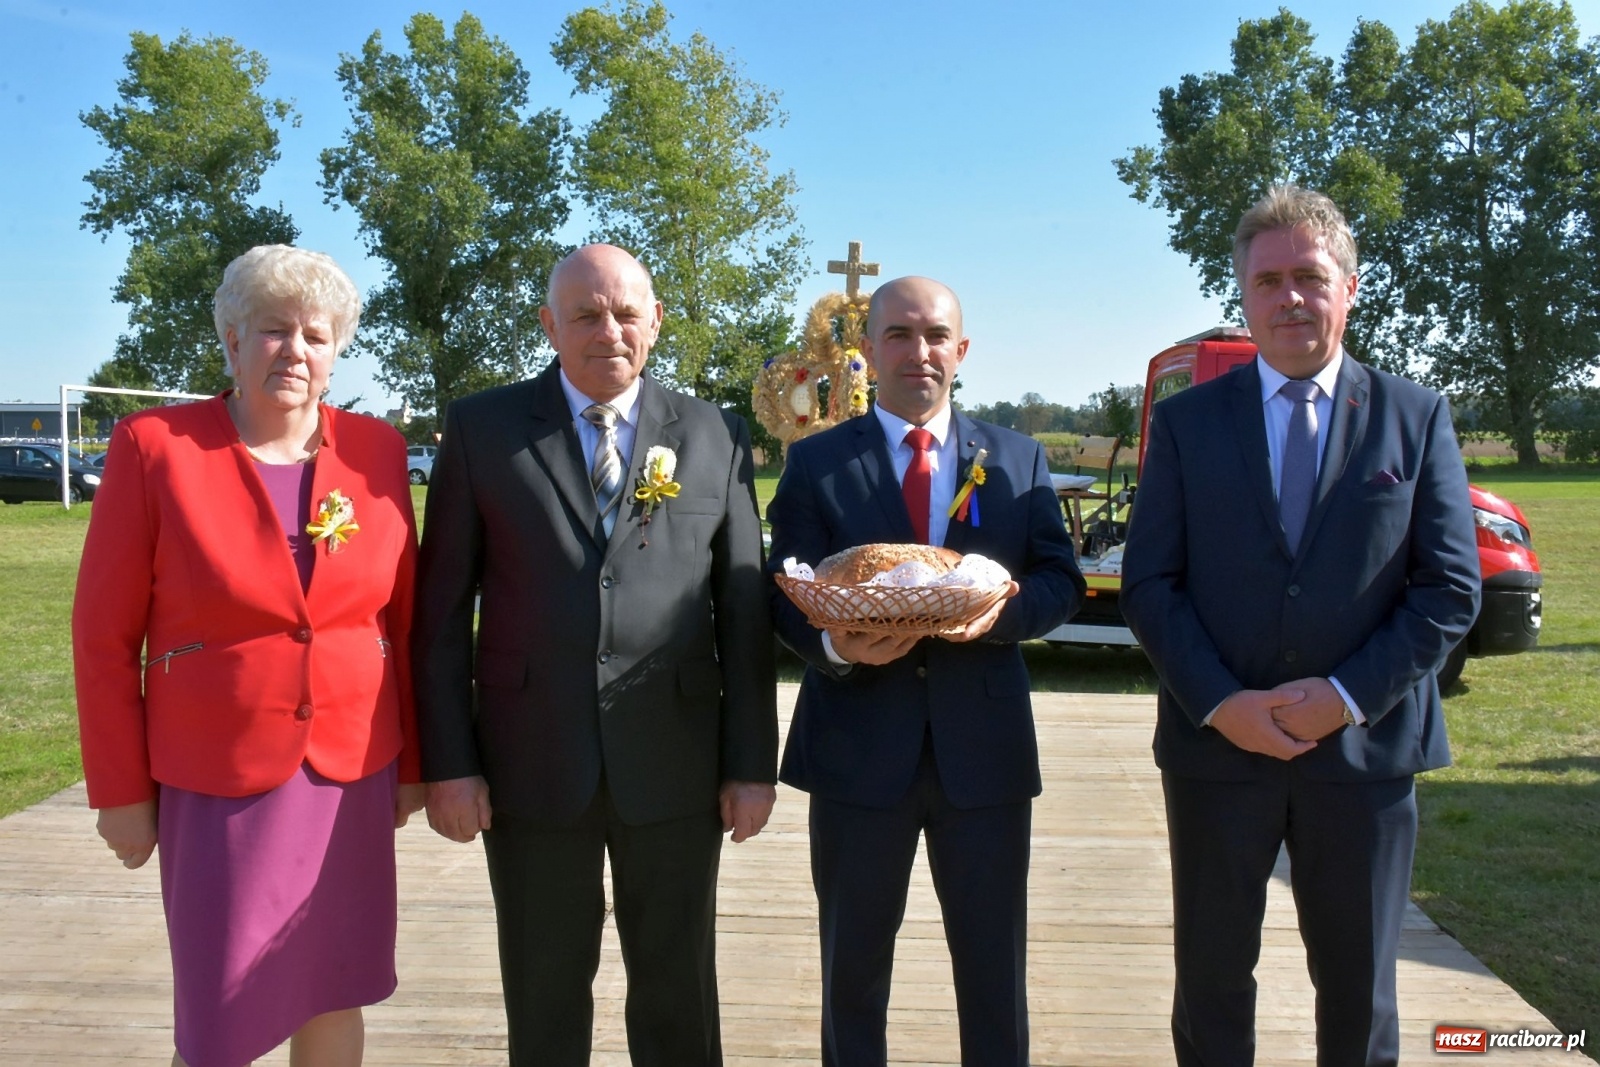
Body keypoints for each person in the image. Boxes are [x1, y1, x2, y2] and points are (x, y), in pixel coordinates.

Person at [1120, 186, 1481, 1067]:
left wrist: (1346, 696)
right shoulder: (1185, 423)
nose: (1289, 297)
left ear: (1349, 287)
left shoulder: (1415, 415)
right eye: (1269, 279)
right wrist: (1221, 703)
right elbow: (1149, 584)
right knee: (1209, 986)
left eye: (1310, 277)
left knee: (1359, 995)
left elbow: (1450, 588)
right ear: (1242, 292)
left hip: (1365, 761)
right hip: (1217, 756)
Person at [411, 243, 778, 1066]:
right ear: (548, 325)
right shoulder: (482, 429)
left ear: (655, 320)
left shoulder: (716, 433)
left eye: (624, 312)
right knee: (542, 997)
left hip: (677, 766)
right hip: (531, 765)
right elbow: (440, 617)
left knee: (680, 996)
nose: (607, 329)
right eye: (585, 313)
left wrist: (752, 761)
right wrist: (449, 762)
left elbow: (744, 608)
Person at [72, 244, 425, 1067]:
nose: (295, 350)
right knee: (221, 1015)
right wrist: (120, 792)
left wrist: (414, 767)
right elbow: (103, 638)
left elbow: (402, 624)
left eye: (316, 333)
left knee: (337, 986)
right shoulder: (153, 446)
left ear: (337, 350)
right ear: (231, 340)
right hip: (219, 777)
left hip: (350, 775)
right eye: (273, 330)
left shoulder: (377, 452)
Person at [767, 276, 1084, 1066]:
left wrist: (997, 616)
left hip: (985, 755)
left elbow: (1060, 578)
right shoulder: (815, 464)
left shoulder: (1016, 457)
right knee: (853, 973)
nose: (919, 351)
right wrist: (837, 647)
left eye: (935, 335)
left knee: (993, 971)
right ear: (869, 352)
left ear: (961, 350)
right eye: (899, 336)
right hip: (855, 751)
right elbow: (778, 589)